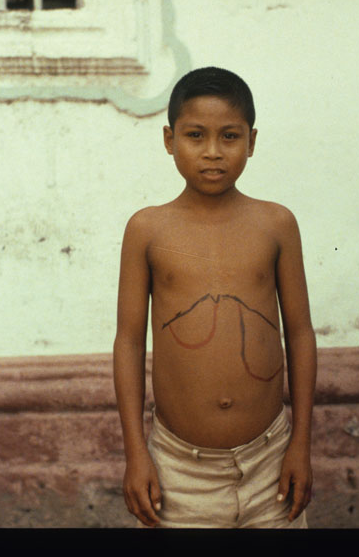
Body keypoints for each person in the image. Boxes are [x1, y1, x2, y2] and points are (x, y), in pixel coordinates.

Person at [113, 67, 317, 528]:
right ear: (169, 139)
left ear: (252, 140)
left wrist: (300, 445)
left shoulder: (276, 224)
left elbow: (300, 334)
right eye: (195, 135)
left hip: (271, 461)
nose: (212, 152)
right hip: (179, 471)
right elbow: (128, 341)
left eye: (229, 136)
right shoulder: (147, 229)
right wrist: (136, 453)